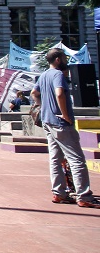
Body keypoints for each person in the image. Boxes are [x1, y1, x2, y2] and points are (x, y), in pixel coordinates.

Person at [31, 48, 100, 208]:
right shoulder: (57, 75)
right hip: (61, 123)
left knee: (55, 158)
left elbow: (34, 92)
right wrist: (65, 114)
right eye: (64, 58)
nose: (66, 61)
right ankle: (84, 196)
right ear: (57, 60)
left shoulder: (43, 75)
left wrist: (43, 107)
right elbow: (60, 93)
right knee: (77, 159)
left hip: (48, 122)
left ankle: (59, 193)